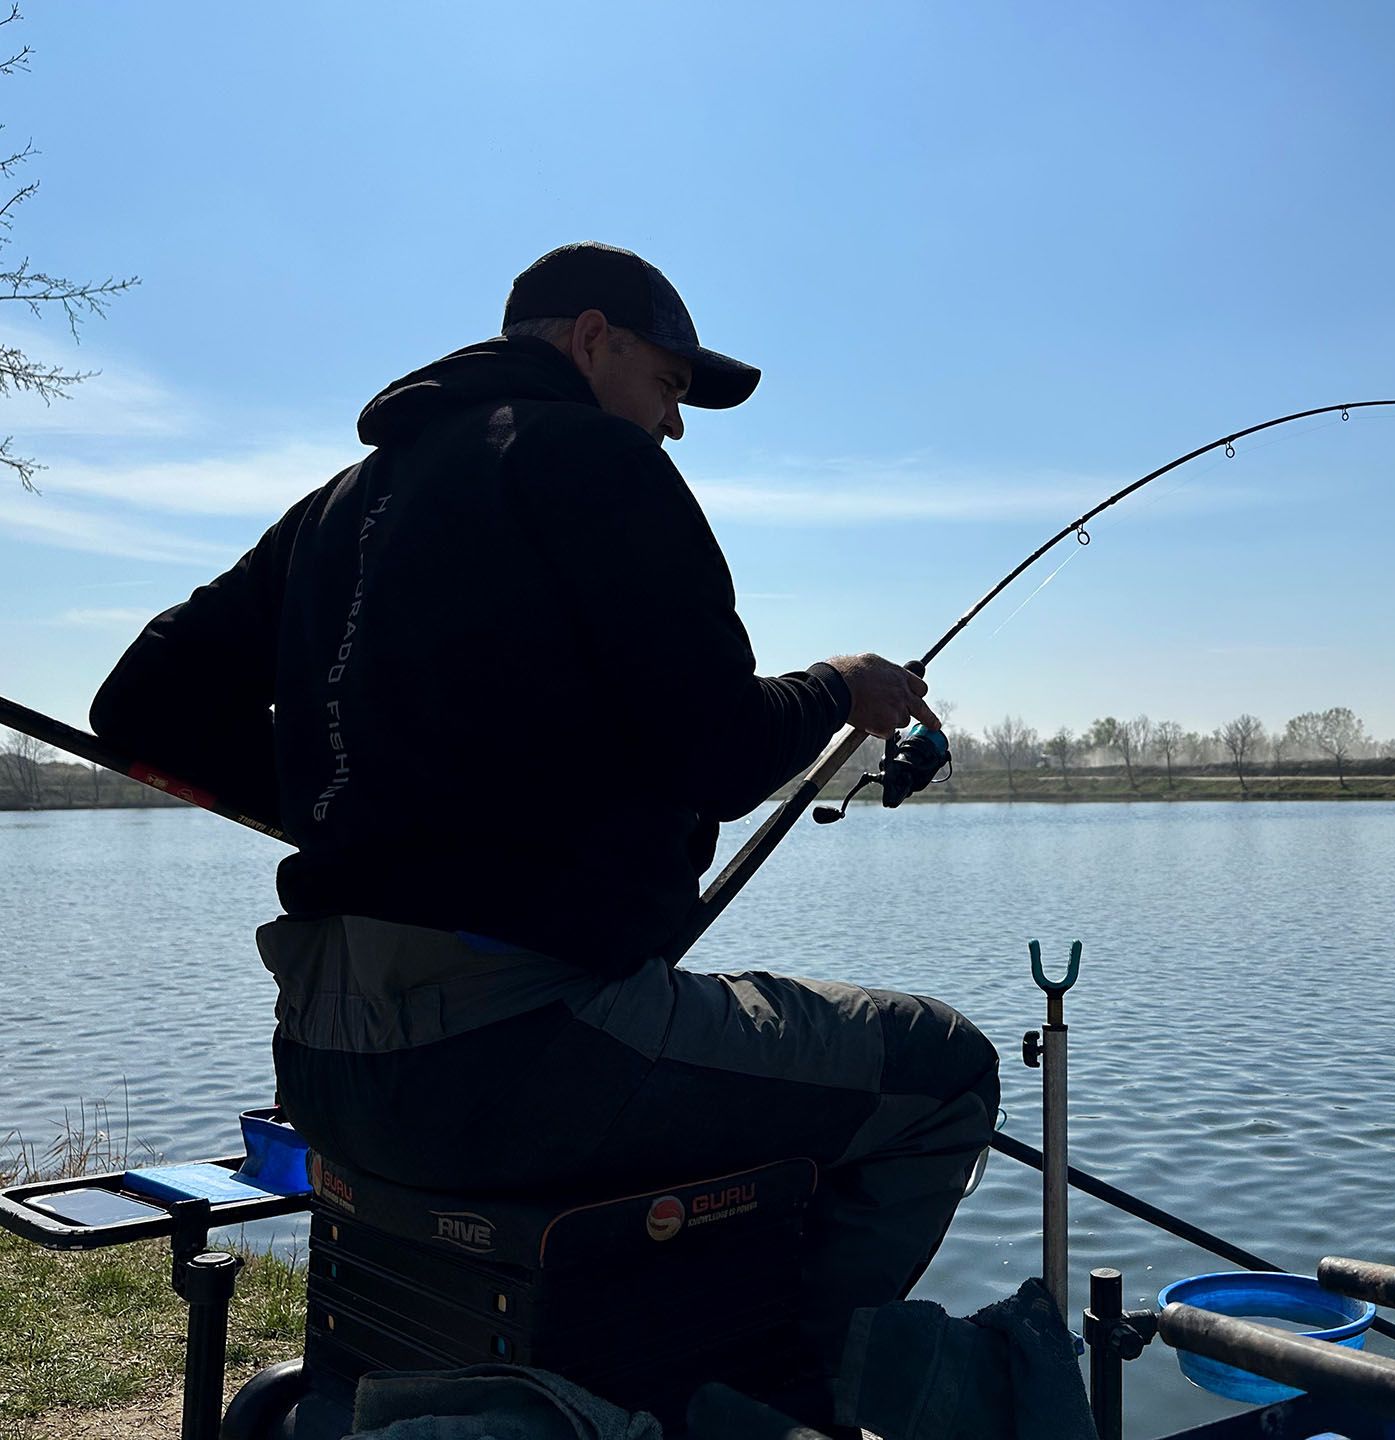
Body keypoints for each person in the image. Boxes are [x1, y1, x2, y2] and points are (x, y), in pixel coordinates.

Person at [90, 241, 1000, 1386]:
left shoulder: (337, 505)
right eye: (670, 385)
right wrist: (841, 689)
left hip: (319, 1066)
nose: (674, 424)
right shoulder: (595, 461)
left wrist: (352, 803)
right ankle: (786, 1405)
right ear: (589, 340)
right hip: (513, 1061)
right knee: (942, 1068)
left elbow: (136, 705)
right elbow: (719, 752)